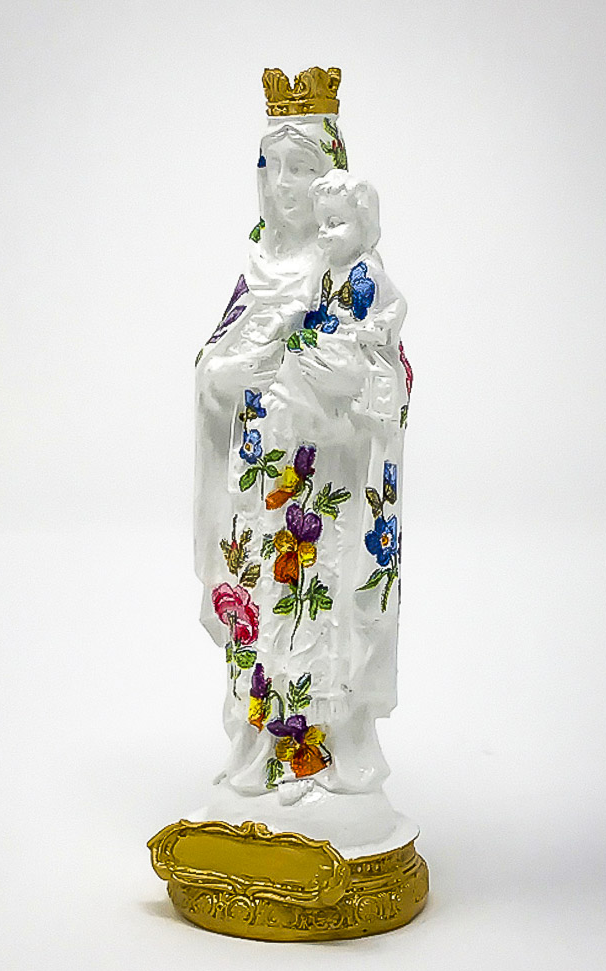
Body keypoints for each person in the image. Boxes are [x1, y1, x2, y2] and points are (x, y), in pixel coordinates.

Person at [193, 83, 414, 851]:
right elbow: (213, 366)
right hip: (262, 483)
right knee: (261, 601)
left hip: (330, 489)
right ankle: (260, 749)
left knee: (325, 612)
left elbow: (385, 374)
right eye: (273, 169)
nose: (285, 187)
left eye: (301, 170)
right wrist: (225, 375)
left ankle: (326, 755)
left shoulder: (350, 274)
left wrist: (337, 380)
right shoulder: (258, 273)